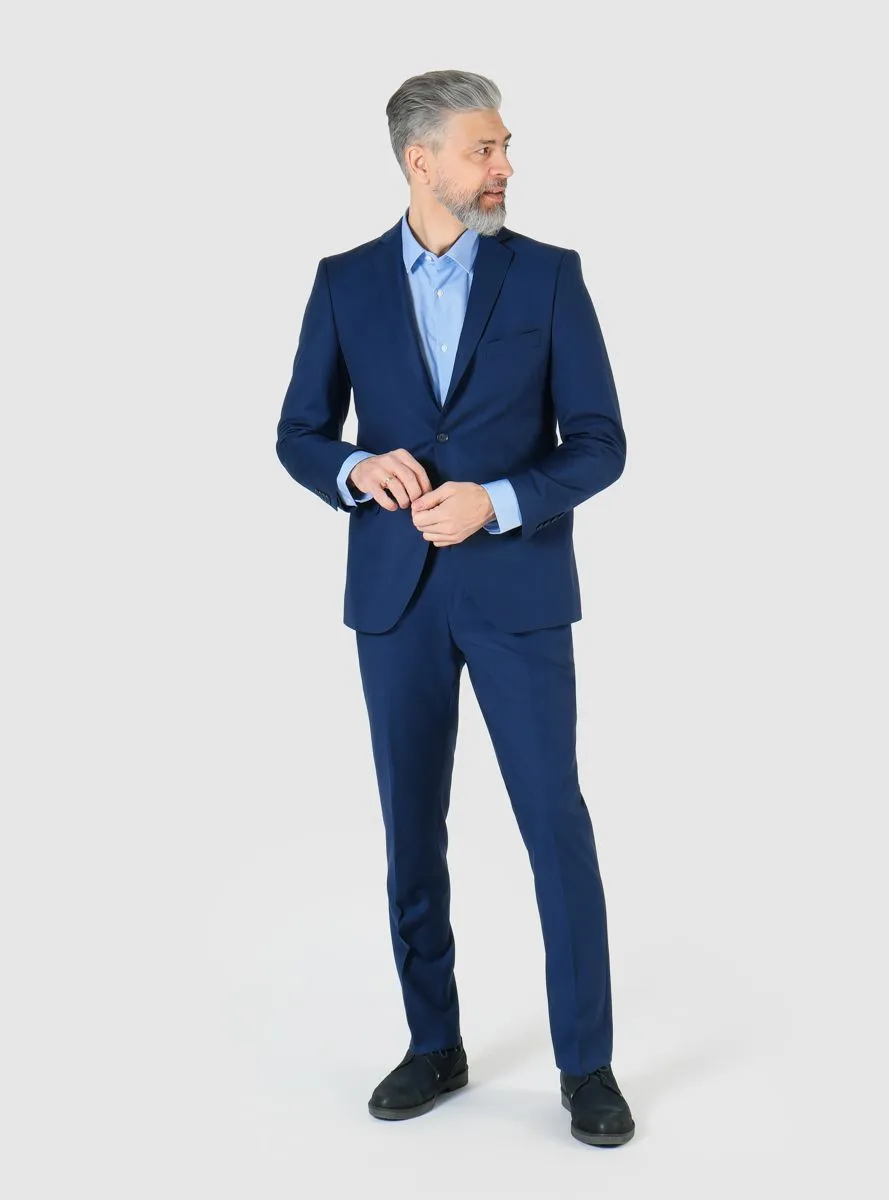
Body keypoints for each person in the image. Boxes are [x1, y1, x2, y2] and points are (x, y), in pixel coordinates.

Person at [275, 68, 634, 1147]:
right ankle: (435, 1044)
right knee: (410, 829)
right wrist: (353, 469)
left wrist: (500, 500)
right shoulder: (344, 282)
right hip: (396, 600)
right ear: (419, 159)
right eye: (486, 149)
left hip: (519, 595)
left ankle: (587, 1065)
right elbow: (298, 433)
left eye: (505, 147)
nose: (504, 167)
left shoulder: (550, 276)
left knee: (553, 823)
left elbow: (601, 443)